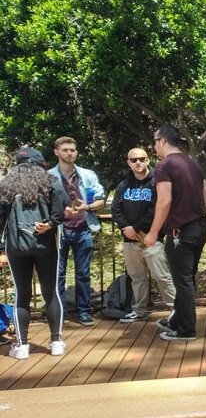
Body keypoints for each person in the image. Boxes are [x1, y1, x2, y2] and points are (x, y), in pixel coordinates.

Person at [0, 148, 68, 360]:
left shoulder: (6, 186)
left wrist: (1, 250)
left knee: (22, 295)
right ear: (40, 164)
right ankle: (56, 341)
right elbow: (62, 207)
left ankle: (21, 346)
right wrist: (50, 224)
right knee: (51, 293)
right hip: (46, 245)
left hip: (16, 247)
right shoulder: (50, 182)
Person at [144, 124, 206, 342]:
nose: (153, 146)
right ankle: (176, 321)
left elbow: (164, 200)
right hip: (200, 227)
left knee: (182, 280)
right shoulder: (192, 163)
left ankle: (186, 329)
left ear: (163, 141)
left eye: (154, 141)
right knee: (187, 278)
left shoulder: (164, 165)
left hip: (181, 231)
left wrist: (153, 232)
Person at [110, 147, 176, 323]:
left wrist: (136, 227)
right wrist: (126, 227)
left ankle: (176, 309)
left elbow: (156, 209)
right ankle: (139, 310)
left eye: (141, 159)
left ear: (148, 160)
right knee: (137, 278)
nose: (138, 163)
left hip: (152, 239)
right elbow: (115, 209)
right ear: (129, 163)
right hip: (129, 240)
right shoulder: (123, 185)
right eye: (134, 160)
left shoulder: (157, 182)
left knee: (161, 276)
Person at [49, 136, 106, 326]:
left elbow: (101, 200)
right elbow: (43, 205)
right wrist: (57, 212)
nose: (69, 153)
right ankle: (60, 312)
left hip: (83, 229)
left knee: (83, 273)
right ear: (56, 152)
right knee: (58, 274)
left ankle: (84, 311)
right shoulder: (48, 176)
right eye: (65, 150)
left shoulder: (88, 175)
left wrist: (87, 207)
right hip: (59, 231)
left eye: (72, 150)